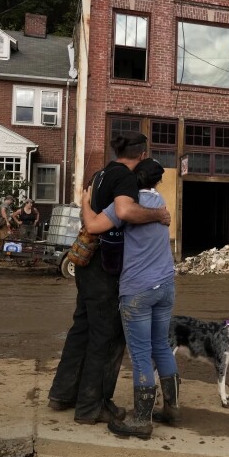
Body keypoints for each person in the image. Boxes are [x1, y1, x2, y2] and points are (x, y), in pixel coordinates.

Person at [47, 133, 170, 425]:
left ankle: (63, 393)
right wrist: (157, 215)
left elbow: (90, 209)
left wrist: (86, 203)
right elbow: (126, 210)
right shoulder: (126, 179)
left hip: (88, 266)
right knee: (108, 337)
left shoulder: (101, 174)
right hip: (106, 268)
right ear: (141, 155)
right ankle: (92, 406)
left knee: (82, 330)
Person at [81, 157, 178, 440]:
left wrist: (85, 201)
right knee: (160, 345)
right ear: (158, 180)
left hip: (138, 289)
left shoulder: (125, 207)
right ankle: (172, 408)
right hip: (166, 285)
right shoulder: (161, 204)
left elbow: (93, 227)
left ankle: (141, 419)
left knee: (140, 354)